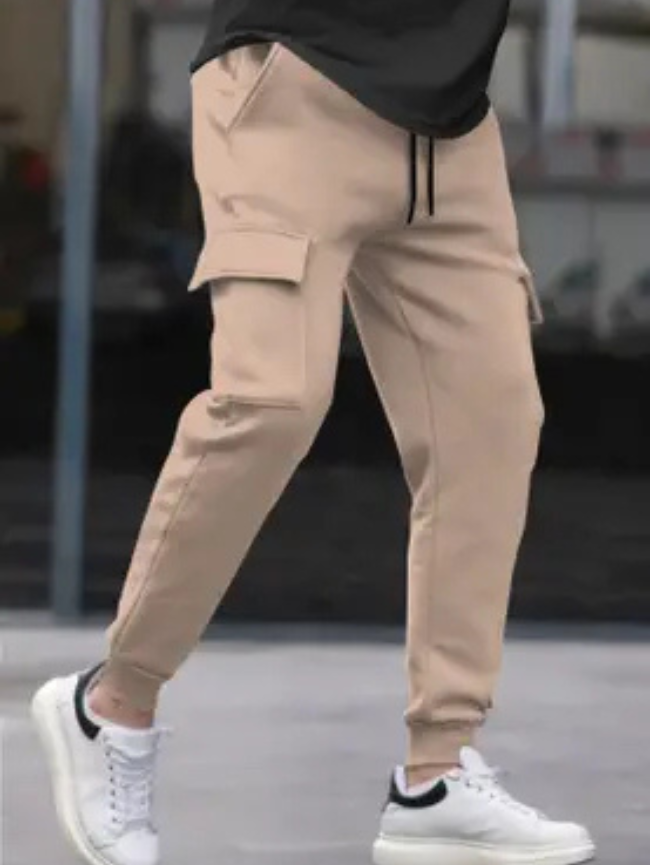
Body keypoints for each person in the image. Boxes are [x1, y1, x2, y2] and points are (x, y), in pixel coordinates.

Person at [30, 2, 596, 864]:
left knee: (491, 421)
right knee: (270, 398)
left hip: (450, 131)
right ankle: (113, 702)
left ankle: (437, 772)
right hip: (295, 82)